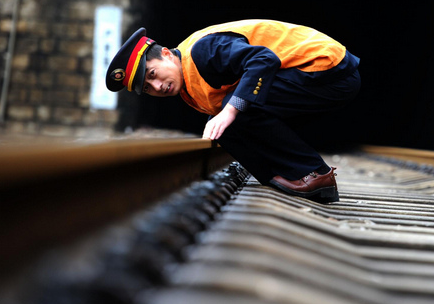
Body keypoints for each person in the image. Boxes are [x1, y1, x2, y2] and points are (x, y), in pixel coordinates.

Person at [106, 19, 360, 203]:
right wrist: (227, 112)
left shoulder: (203, 51)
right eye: (148, 88)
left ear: (165, 54)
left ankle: (315, 173)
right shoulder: (186, 79)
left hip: (329, 71)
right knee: (223, 118)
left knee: (235, 108)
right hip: (317, 77)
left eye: (152, 74)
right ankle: (282, 177)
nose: (158, 86)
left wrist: (230, 109)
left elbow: (264, 60)